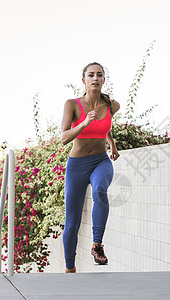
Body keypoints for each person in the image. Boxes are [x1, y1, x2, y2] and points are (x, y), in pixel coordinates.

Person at [60, 62, 120, 273]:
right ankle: (70, 268)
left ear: (104, 80)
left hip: (100, 161)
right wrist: (84, 123)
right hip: (76, 166)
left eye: (100, 75)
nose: (95, 78)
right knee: (72, 222)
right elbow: (64, 138)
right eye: (91, 75)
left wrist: (112, 144)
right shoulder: (72, 104)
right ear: (83, 80)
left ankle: (97, 245)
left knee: (100, 190)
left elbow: (107, 126)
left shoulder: (111, 105)